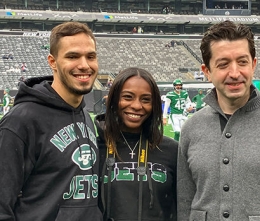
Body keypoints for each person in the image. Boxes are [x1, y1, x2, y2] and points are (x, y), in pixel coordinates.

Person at [177, 20, 260, 221]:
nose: (235, 73)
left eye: (242, 62)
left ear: (253, 64)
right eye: (223, 64)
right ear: (206, 71)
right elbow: (184, 206)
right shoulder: (191, 128)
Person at [0, 21, 103, 221]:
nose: (84, 64)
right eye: (72, 56)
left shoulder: (85, 115)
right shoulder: (20, 121)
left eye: (90, 56)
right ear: (52, 61)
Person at [94, 67, 177, 221]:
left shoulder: (171, 150)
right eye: (127, 97)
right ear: (113, 100)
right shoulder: (93, 148)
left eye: (146, 99)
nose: (137, 106)